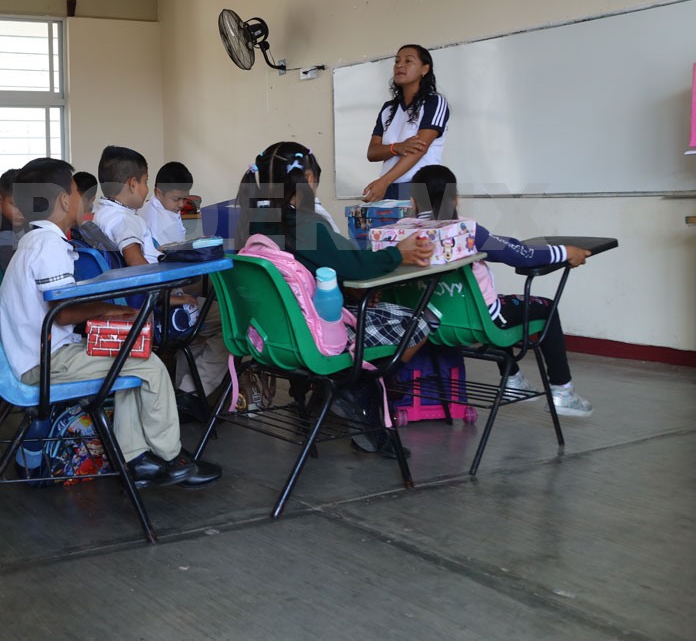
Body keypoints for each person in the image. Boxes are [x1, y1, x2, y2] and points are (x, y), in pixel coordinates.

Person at [0, 157, 220, 488]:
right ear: (64, 200)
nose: (83, 198)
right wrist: (109, 309)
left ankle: (136, 458)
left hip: (34, 355)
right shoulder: (48, 245)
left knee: (131, 358)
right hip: (41, 364)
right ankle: (171, 458)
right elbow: (63, 311)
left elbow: (61, 305)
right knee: (151, 367)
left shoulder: (34, 240)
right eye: (76, 190)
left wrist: (106, 308)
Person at [239, 141, 435, 455]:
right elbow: (355, 267)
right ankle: (354, 390)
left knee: (365, 308)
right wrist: (399, 253)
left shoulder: (254, 223)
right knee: (421, 321)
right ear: (308, 179)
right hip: (316, 337)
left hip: (273, 338)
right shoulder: (306, 226)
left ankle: (339, 390)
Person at [409, 165, 594, 416]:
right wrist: (567, 251)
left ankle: (513, 380)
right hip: (481, 323)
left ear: (413, 201)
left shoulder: (399, 233)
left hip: (426, 326)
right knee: (543, 308)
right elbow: (521, 256)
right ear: (455, 199)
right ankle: (563, 391)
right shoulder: (467, 231)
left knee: (490, 306)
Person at [93, 146, 229, 420]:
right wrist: (172, 298)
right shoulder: (124, 220)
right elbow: (137, 265)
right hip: (154, 310)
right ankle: (190, 394)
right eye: (145, 181)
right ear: (133, 183)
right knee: (230, 322)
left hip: (135, 306)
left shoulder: (102, 214)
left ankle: (185, 394)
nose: (146, 189)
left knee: (205, 317)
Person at [362, 44, 450, 202]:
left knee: (424, 220)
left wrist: (384, 181)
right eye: (397, 61)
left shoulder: (434, 102)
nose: (399, 65)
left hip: (422, 186)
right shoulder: (388, 109)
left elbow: (419, 149)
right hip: (390, 186)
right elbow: (372, 152)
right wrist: (396, 147)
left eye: (408, 61)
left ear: (424, 69)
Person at [140, 161, 192, 247]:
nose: (181, 204)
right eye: (176, 199)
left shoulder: (166, 208)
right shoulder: (157, 222)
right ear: (158, 193)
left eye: (185, 199)